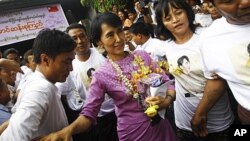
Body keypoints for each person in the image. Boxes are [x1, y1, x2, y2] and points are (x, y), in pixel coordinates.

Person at [35, 12, 176, 141]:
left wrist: (167, 100)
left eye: (120, 31)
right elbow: (89, 113)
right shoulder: (102, 75)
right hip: (134, 133)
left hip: (161, 125)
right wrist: (67, 131)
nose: (119, 39)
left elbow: (167, 82)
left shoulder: (143, 56)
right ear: (99, 42)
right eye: (110, 35)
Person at [155, 0, 234, 140]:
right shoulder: (167, 46)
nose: (175, 20)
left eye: (179, 13)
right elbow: (177, 76)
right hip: (183, 123)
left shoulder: (207, 37)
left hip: (217, 124)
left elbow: (219, 80)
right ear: (162, 24)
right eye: (168, 18)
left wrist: (199, 115)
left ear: (187, 12)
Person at [0, 28, 76, 140]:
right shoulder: (40, 90)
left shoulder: (34, 82)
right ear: (45, 59)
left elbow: (13, 121)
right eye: (66, 61)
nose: (71, 68)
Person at [191, 0, 250, 136]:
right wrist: (200, 113)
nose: (246, 2)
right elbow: (217, 78)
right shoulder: (210, 39)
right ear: (213, 4)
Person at [66, 23, 118, 141]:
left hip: (120, 111)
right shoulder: (70, 67)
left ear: (87, 36)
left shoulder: (104, 53)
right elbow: (70, 95)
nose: (80, 41)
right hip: (97, 120)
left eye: (82, 36)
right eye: (74, 38)